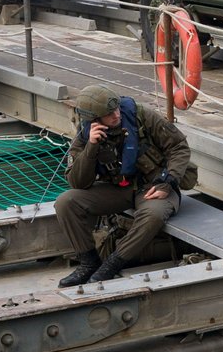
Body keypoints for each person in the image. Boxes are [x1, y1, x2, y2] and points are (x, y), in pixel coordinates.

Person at [55, 83, 196, 286]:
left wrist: (168, 181)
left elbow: (179, 147)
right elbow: (78, 182)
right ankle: (88, 262)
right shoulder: (85, 135)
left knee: (154, 215)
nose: (116, 115)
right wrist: (91, 148)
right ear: (95, 120)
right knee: (65, 202)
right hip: (118, 189)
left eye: (116, 108)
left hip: (153, 187)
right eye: (109, 113)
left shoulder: (140, 116)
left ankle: (113, 264)